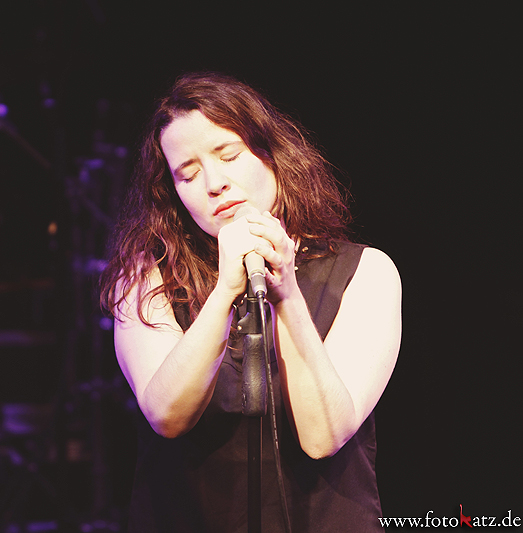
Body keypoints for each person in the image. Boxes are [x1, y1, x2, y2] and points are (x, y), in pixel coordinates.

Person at [100, 72, 401, 532]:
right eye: (188, 174)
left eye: (229, 156)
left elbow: (323, 436)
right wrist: (225, 290)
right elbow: (167, 415)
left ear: (271, 154)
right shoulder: (146, 278)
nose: (214, 183)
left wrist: (286, 294)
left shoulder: (367, 272)